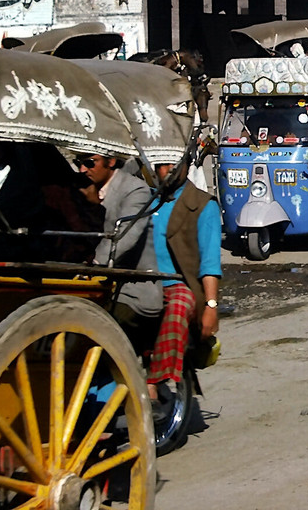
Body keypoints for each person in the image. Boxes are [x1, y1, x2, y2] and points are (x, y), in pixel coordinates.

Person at [147, 161, 221, 416]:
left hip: (180, 284)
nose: (165, 171)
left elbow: (210, 262)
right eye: (160, 165)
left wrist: (211, 305)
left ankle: (154, 381)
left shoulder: (203, 205)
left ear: (186, 165)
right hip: (141, 282)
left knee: (179, 304)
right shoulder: (144, 200)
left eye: (171, 165)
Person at [77, 153, 163, 351]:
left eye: (90, 163)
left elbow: (125, 237)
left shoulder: (135, 190)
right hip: (91, 288)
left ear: (111, 162)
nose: (83, 169)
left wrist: (93, 266)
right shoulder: (81, 187)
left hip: (131, 293)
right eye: (79, 163)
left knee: (85, 330)